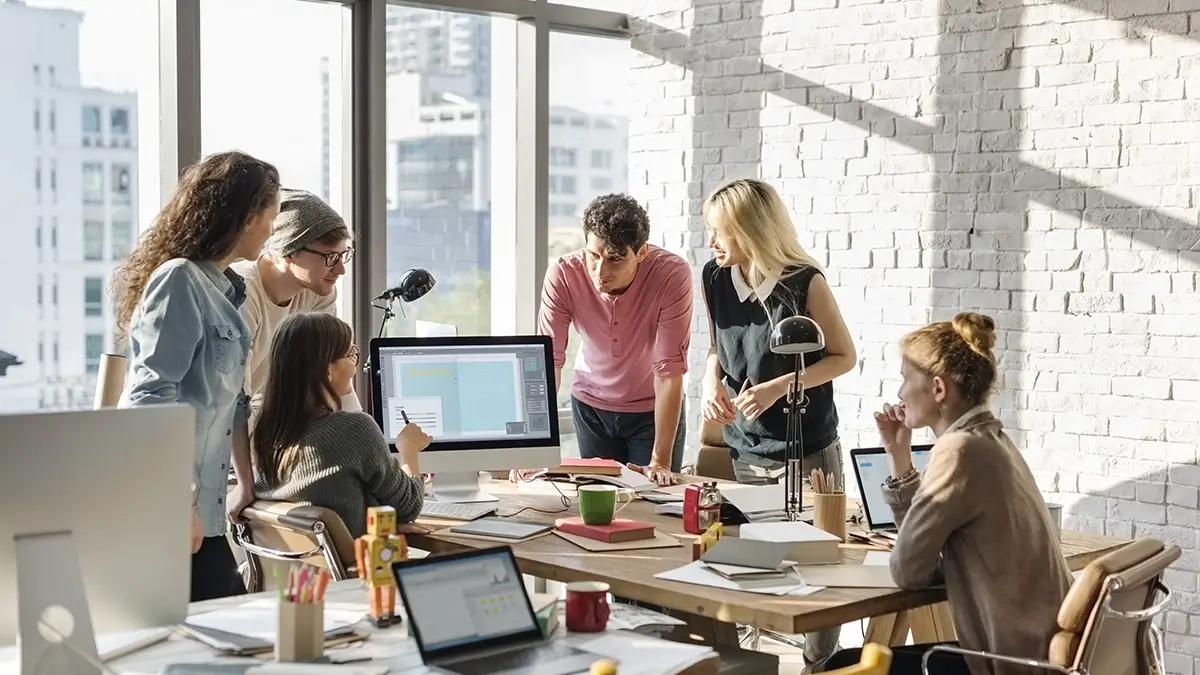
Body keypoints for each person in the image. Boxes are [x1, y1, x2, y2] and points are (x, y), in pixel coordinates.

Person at [822, 313, 1071, 675]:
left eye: (906, 378)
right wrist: (898, 456)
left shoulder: (958, 450)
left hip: (1007, 662)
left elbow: (907, 570)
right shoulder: (991, 439)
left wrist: (930, 562)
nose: (900, 392)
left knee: (842, 665)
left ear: (938, 389)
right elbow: (922, 559)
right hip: (1035, 650)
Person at [699, 178, 857, 669]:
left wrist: (780, 387)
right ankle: (745, 665)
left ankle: (819, 665)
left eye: (719, 232)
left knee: (817, 566)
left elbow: (843, 357)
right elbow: (715, 351)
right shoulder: (713, 277)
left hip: (808, 448)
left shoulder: (805, 282)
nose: (711, 243)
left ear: (748, 231)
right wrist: (709, 389)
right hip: (745, 451)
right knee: (748, 563)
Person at [115, 150, 281, 602]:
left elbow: (236, 403)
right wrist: (178, 503)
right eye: (271, 216)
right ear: (249, 218)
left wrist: (245, 486)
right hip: (169, 512)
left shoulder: (230, 290)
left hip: (206, 515)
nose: (272, 229)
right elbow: (150, 399)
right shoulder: (179, 281)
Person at [538, 193, 692, 486]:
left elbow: (669, 371)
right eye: (593, 256)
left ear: (642, 252)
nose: (600, 272)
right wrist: (532, 451)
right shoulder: (563, 274)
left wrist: (660, 460)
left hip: (651, 410)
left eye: (615, 259)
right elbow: (548, 365)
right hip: (591, 406)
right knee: (594, 499)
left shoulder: (672, 274)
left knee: (652, 499)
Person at [252, 312, 427, 538]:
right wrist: (409, 450)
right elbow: (409, 506)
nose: (355, 366)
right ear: (327, 369)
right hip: (354, 572)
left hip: (302, 572)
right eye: (351, 355)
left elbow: (329, 493)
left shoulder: (266, 433)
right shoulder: (354, 429)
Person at [230, 188, 358, 426]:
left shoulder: (320, 292)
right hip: (226, 430)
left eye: (344, 255)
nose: (340, 269)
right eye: (330, 257)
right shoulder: (241, 293)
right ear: (289, 252)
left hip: (273, 418)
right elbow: (235, 399)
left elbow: (333, 372)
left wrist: (367, 443)